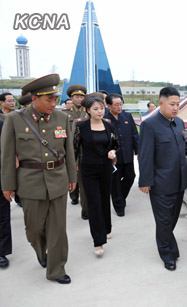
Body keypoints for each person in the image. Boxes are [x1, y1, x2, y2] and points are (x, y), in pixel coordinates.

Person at [1, 74, 77, 284]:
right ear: (34, 99)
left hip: (58, 179)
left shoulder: (62, 118)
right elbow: (7, 156)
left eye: (55, 99)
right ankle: (41, 251)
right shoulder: (14, 120)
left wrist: (72, 176)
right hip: (30, 182)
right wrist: (7, 185)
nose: (54, 103)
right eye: (49, 99)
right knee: (34, 229)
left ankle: (56, 268)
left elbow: (68, 151)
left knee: (58, 229)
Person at [138, 87, 187, 271]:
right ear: (161, 103)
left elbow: (184, 145)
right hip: (160, 182)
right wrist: (145, 181)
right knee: (163, 221)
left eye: (178, 104)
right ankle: (167, 255)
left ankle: (169, 246)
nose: (176, 107)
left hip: (179, 181)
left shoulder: (179, 123)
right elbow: (145, 154)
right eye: (172, 104)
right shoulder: (150, 125)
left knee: (172, 219)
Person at [74, 95, 118, 256]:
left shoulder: (108, 125)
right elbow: (75, 150)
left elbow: (116, 144)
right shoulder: (81, 127)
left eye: (102, 108)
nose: (100, 111)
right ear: (87, 111)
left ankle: (106, 228)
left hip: (106, 169)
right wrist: (73, 171)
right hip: (89, 170)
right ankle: (98, 242)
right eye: (96, 109)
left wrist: (113, 151)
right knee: (94, 203)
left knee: (105, 200)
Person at [104, 93, 139, 217]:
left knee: (131, 177)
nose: (119, 107)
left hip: (127, 154)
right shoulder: (104, 118)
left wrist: (138, 151)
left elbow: (134, 134)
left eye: (121, 104)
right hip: (113, 157)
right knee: (115, 182)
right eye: (116, 105)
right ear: (108, 105)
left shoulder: (127, 116)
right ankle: (119, 206)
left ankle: (120, 198)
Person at [62, 84, 88, 219]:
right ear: (71, 98)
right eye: (77, 96)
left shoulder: (88, 112)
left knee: (83, 179)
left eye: (81, 96)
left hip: (84, 150)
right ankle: (73, 195)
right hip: (70, 150)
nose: (79, 99)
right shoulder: (65, 114)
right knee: (72, 174)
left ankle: (86, 210)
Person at [0, 119, 12, 268]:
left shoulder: (2, 124)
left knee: (2, 215)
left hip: (1, 175)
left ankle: (2, 251)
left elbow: (8, 152)